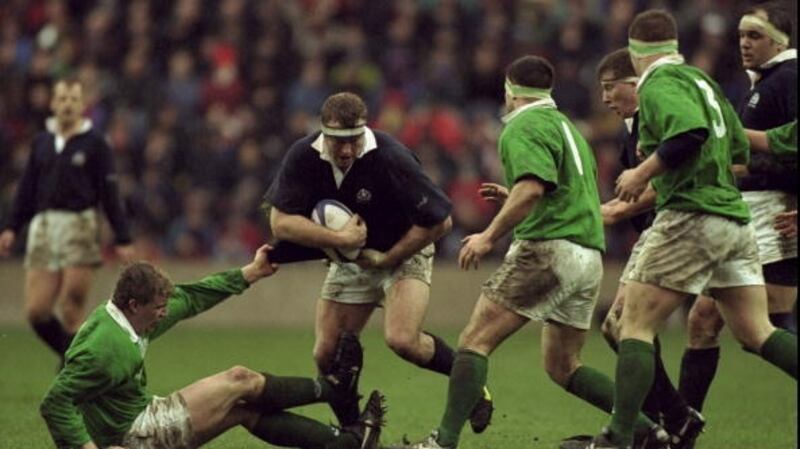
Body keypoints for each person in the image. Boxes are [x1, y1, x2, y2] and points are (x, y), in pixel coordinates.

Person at [393, 55, 668, 449]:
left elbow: (532, 189)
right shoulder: (569, 129)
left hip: (548, 251)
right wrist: (514, 199)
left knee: (473, 340)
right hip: (587, 255)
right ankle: (646, 431)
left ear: (510, 90)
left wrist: (488, 234)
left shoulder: (521, 126)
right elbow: (564, 193)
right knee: (562, 365)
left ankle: (443, 442)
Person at [584, 10, 797, 449]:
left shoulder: (660, 84)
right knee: (759, 332)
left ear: (638, 52)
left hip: (693, 214)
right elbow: (737, 146)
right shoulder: (705, 83)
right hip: (734, 220)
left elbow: (690, 134)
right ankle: (678, 422)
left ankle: (621, 436)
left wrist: (644, 170)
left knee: (631, 325)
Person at [264, 92, 493, 434]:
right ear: (322, 131)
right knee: (326, 354)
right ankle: (355, 431)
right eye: (337, 141)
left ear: (364, 130)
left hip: (404, 251)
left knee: (403, 340)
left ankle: (472, 386)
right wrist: (340, 241)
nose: (346, 150)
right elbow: (280, 222)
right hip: (353, 257)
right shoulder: (303, 155)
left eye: (353, 140)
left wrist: (389, 257)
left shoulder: (390, 156)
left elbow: (440, 222)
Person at [40, 244, 386, 449]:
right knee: (240, 380)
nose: (163, 314)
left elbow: (190, 298)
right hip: (137, 433)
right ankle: (335, 389)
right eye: (158, 308)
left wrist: (250, 272)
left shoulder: (127, 318)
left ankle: (349, 442)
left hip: (141, 415)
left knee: (244, 408)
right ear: (134, 305)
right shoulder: (105, 347)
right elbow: (55, 403)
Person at [677, 1, 798, 416]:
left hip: (774, 213)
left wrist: (743, 163)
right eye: (742, 35)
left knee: (759, 326)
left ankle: (677, 428)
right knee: (706, 320)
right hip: (753, 212)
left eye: (755, 36)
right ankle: (680, 429)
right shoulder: (765, 83)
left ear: (780, 42)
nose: (744, 43)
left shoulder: (790, 80)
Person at [593, 48, 704, 449]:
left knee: (626, 326)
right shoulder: (634, 125)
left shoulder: (657, 120)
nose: (605, 98)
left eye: (610, 88)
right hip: (667, 228)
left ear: (635, 84)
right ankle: (672, 418)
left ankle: (651, 426)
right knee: (621, 327)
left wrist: (616, 211)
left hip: (677, 225)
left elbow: (664, 182)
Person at [0, 78, 135, 364]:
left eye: (74, 99)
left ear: (83, 105)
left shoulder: (96, 143)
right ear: (53, 104)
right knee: (37, 311)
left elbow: (109, 191)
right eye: (62, 99)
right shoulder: (42, 142)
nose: (68, 105)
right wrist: (11, 226)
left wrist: (122, 237)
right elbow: (27, 188)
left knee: (72, 305)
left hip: (80, 225)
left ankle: (72, 374)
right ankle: (73, 355)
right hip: (44, 226)